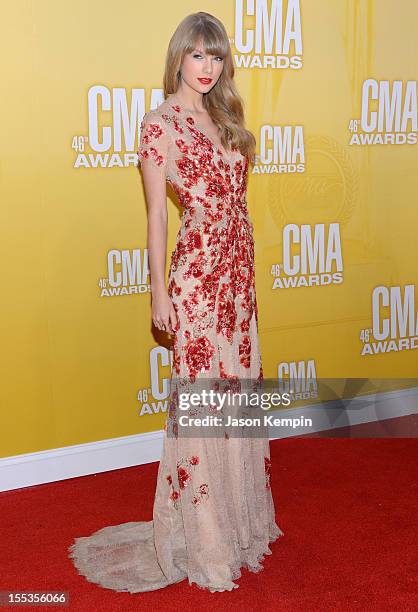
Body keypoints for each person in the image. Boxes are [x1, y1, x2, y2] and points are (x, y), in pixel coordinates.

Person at [68, 11, 283, 593]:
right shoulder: (158, 124)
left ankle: (238, 527)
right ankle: (204, 538)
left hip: (238, 278)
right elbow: (158, 214)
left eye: (217, 57)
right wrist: (159, 290)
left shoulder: (226, 116)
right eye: (197, 55)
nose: (208, 67)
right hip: (197, 279)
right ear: (179, 58)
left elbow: (236, 204)